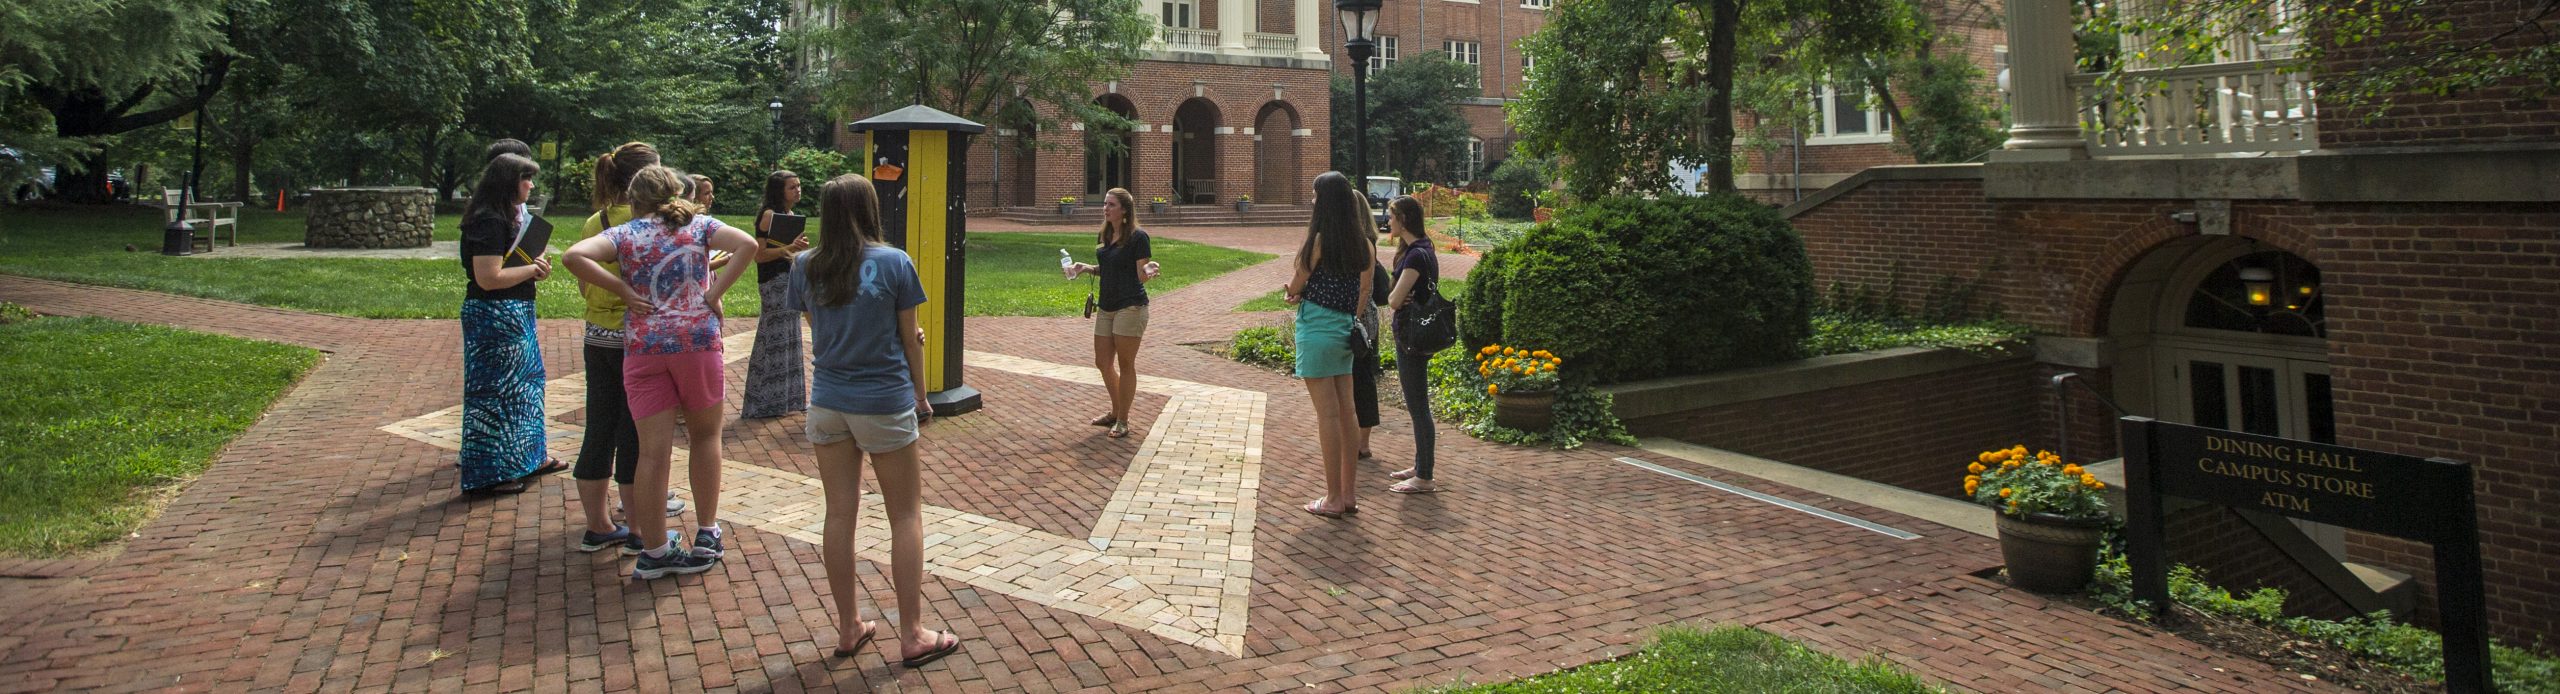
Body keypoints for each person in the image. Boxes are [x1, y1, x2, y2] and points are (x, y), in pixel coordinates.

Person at [787, 174, 964, 668]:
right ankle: (912, 634)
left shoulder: (805, 265)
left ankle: (849, 627)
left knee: (838, 515)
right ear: (871, 209)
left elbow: (816, 327)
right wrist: (922, 397)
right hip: (883, 401)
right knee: (904, 516)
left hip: (828, 401)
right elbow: (910, 340)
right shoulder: (894, 262)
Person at [561, 165, 761, 579]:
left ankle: (654, 549)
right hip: (697, 344)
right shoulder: (701, 225)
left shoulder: (624, 234)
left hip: (644, 348)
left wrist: (622, 291)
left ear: (634, 200)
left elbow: (573, 256)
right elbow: (747, 245)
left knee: (652, 453)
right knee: (706, 437)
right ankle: (707, 531)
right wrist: (712, 294)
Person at [569, 142, 688, 554]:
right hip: (638, 341)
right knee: (637, 436)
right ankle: (639, 528)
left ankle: (598, 525)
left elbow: (585, 282)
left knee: (599, 428)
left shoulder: (596, 221)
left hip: (597, 335)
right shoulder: (657, 225)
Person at [456, 153, 568, 495]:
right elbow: (488, 278)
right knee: (493, 396)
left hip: (516, 312)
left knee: (526, 388)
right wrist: (533, 270)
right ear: (508, 182)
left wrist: (534, 267)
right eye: (526, 179)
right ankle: (487, 475)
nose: (531, 186)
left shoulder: (507, 216)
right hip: (494, 316)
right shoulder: (488, 220)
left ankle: (527, 458)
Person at [1282, 172, 1375, 518]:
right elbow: (1360, 290)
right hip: (1344, 331)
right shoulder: (1363, 244)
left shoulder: (1319, 241)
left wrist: (1293, 291)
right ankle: (1348, 494)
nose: (1312, 201)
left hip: (1317, 329)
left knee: (1328, 416)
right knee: (1347, 412)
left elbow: (1295, 285)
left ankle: (1333, 497)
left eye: (1315, 195)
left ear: (1326, 201)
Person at [1063, 188, 1158, 439]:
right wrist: (1086, 268)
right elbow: (1109, 267)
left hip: (1131, 307)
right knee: (1102, 362)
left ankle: (1123, 419)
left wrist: (1149, 270)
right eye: (1104, 203)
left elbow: (1140, 274)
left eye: (1111, 205)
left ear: (1124, 210)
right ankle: (1115, 412)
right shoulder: (1105, 233)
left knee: (1126, 365)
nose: (1105, 208)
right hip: (1106, 307)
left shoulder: (1138, 237)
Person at [741, 170, 812, 419]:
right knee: (773, 337)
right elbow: (759, 255)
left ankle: (786, 399)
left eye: (799, 185)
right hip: (774, 283)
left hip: (789, 280)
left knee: (789, 337)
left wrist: (799, 253)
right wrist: (790, 248)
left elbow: (786, 252)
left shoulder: (790, 215)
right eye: (792, 187)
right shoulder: (769, 215)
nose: (798, 190)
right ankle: (763, 401)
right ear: (779, 190)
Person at [1381, 196, 1441, 493]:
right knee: (1417, 404)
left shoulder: (1416, 255)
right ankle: (1420, 464)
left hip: (1412, 337)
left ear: (1403, 219)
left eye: (1391, 217)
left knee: (1418, 406)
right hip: (1416, 334)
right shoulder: (1423, 248)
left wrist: (1396, 295)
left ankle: (1425, 475)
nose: (1387, 222)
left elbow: (1392, 300)